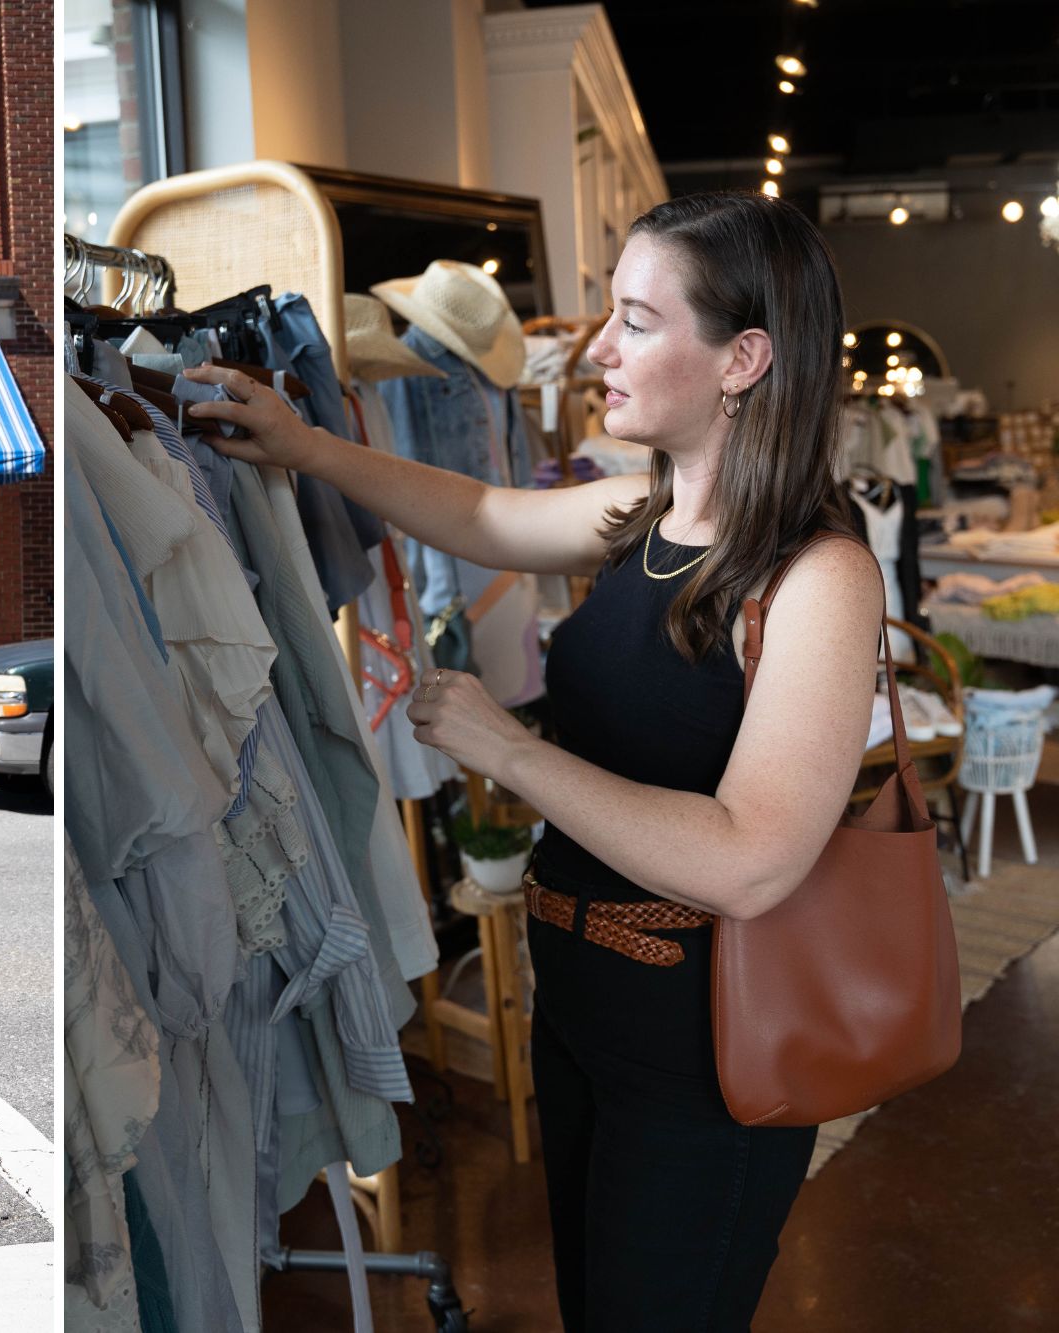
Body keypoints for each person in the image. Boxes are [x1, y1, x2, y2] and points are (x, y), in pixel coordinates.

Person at [184, 190, 883, 1331]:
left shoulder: (816, 576)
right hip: (580, 1011)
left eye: (637, 322)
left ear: (740, 358)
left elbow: (751, 859)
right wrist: (305, 444)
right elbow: (479, 513)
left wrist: (509, 748)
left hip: (708, 1056)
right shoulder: (636, 516)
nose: (597, 348)